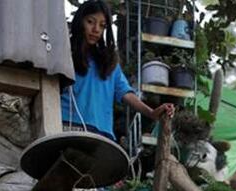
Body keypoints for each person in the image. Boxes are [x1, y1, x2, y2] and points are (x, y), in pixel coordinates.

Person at [60, 1, 173, 141]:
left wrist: (151, 112)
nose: (96, 29)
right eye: (90, 22)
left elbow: (125, 93)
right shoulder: (64, 53)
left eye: (102, 25)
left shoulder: (108, 61)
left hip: (102, 134)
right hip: (68, 127)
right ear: (79, 22)